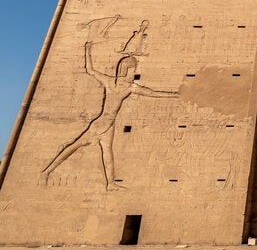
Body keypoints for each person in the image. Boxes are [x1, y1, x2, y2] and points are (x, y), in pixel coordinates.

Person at [41, 42, 177, 189]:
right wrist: (87, 50)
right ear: (126, 70)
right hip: (101, 124)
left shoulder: (126, 86)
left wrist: (174, 95)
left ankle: (110, 183)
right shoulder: (114, 83)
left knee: (107, 154)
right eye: (133, 70)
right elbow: (90, 70)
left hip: (109, 125)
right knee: (74, 147)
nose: (134, 74)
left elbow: (153, 93)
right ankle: (46, 171)